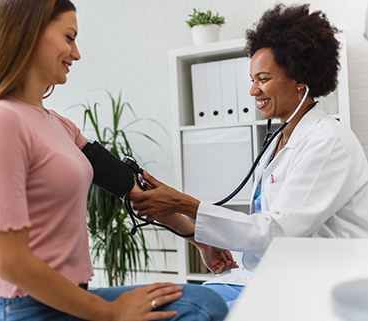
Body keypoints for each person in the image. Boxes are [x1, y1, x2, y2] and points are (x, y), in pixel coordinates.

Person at [0, 0, 229, 320]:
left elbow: (133, 188)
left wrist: (196, 237)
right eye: (69, 38)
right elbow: (11, 263)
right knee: (198, 309)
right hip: (22, 306)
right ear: (28, 33)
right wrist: (110, 312)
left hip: (68, 295)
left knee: (203, 303)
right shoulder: (0, 119)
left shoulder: (58, 124)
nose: (76, 53)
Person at [130, 3, 368, 310]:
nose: (253, 90)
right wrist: (202, 234)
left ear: (300, 78)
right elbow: (263, 225)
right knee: (164, 299)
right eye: (252, 80)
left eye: (263, 78)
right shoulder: (278, 141)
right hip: (268, 274)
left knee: (180, 308)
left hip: (320, 281)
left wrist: (183, 203)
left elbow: (277, 231)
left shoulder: (328, 141)